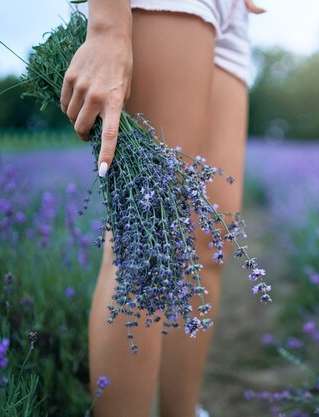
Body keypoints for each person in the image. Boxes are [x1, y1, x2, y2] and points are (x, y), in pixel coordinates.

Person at [59, 1, 263, 416]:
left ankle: (182, 412)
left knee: (209, 241)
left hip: (232, 13)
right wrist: (107, 26)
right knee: (145, 241)